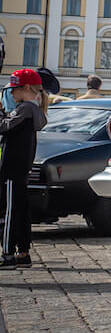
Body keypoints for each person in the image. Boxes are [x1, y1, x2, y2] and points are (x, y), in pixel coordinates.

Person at [0, 69, 50, 268]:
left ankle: (7, 254)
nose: (11, 94)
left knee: (9, 212)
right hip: (21, 170)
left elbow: (4, 127)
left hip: (12, 169)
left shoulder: (24, 109)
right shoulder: (33, 109)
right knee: (21, 212)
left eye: (14, 89)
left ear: (26, 88)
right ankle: (22, 253)